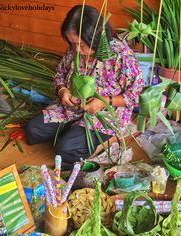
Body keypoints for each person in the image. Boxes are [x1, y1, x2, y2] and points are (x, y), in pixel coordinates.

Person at [25, 5, 144, 164]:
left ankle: (112, 138)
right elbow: (60, 74)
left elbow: (135, 96)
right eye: (72, 43)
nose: (76, 49)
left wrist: (103, 102)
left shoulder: (121, 55)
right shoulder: (74, 50)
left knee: (65, 150)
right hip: (72, 108)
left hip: (104, 114)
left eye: (81, 44)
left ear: (94, 38)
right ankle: (73, 130)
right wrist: (62, 91)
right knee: (32, 130)